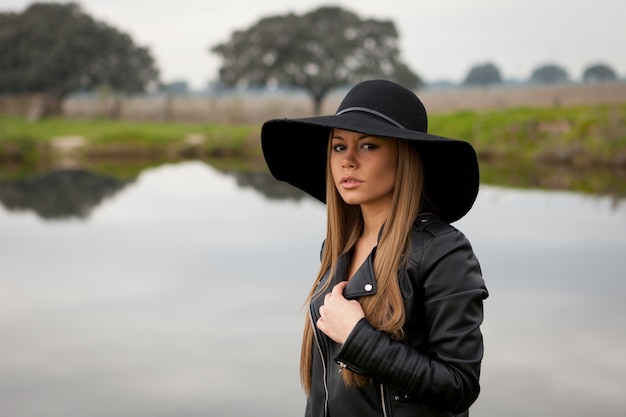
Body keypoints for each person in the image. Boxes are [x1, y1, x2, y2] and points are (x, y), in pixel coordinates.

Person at [261, 79, 488, 417]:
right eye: (339, 147)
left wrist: (357, 338)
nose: (348, 161)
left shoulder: (443, 251)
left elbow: (459, 385)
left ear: (404, 156)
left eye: (368, 146)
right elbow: (323, 392)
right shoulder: (337, 248)